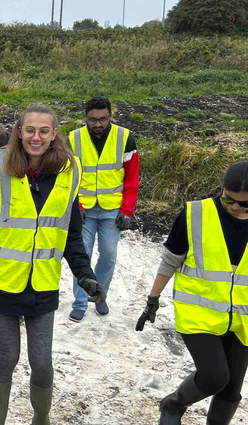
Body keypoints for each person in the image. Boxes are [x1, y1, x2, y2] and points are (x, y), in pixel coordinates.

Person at [0, 103, 106, 425]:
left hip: (42, 285)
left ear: (54, 134)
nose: (36, 137)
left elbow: (71, 235)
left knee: (42, 362)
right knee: (7, 357)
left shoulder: (70, 173)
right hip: (1, 284)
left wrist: (84, 274)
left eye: (44, 131)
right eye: (29, 130)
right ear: (19, 132)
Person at [136, 161, 248, 425]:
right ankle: (174, 404)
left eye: (243, 203)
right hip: (197, 313)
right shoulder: (195, 214)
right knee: (216, 375)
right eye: (227, 198)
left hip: (241, 316)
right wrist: (153, 298)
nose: (233, 206)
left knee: (232, 388)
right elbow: (170, 260)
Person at [69, 97, 139, 321]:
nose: (97, 124)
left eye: (103, 119)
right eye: (92, 120)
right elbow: (67, 176)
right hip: (84, 210)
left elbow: (132, 177)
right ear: (85, 118)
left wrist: (127, 210)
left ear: (110, 116)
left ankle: (99, 295)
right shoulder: (73, 139)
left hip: (112, 209)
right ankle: (79, 301)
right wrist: (75, 205)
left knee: (108, 255)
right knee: (83, 255)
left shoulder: (125, 138)